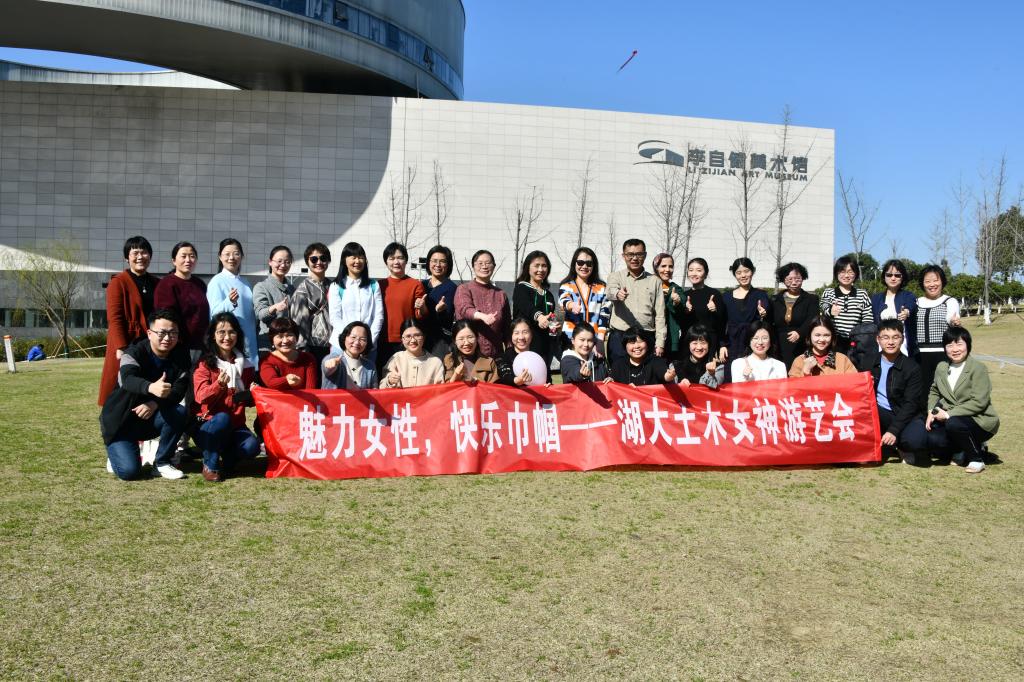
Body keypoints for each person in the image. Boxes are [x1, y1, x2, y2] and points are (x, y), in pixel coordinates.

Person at [99, 309, 190, 481]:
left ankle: (162, 463)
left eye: (173, 333)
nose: (167, 338)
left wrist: (154, 403)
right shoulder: (133, 353)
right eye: (161, 333)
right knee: (129, 471)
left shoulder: (181, 355)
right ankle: (116, 454)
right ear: (149, 333)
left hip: (150, 418)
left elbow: (179, 390)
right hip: (121, 422)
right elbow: (127, 379)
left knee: (179, 412)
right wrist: (150, 388)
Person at [902, 327, 998, 472]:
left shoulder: (978, 368)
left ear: (968, 345)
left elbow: (979, 402)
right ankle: (961, 448)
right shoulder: (942, 367)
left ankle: (976, 458)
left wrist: (948, 414)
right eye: (949, 345)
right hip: (952, 421)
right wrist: (931, 410)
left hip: (979, 419)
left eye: (959, 344)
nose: (955, 349)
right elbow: (934, 390)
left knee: (954, 423)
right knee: (934, 440)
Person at [192, 312, 259, 482]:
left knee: (252, 447)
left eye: (231, 332)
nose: (227, 337)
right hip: (208, 425)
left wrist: (254, 393)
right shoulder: (205, 364)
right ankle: (210, 465)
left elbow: (248, 402)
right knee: (222, 418)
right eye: (221, 332)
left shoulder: (246, 365)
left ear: (238, 334)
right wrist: (219, 385)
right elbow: (200, 397)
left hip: (236, 425)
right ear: (213, 336)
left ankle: (229, 460)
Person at [99, 236, 160, 406]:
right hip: (128, 341)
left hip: (149, 343)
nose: (140, 257)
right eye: (135, 253)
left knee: (146, 388)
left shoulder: (156, 283)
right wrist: (121, 346)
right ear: (127, 257)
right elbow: (115, 318)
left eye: (144, 252)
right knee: (122, 388)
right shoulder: (118, 282)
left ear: (150, 256)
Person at [605, 239, 667, 364]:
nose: (634, 258)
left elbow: (660, 315)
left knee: (646, 374)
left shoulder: (654, 281)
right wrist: (617, 294)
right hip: (620, 336)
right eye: (630, 254)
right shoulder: (615, 276)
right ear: (623, 256)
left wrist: (660, 343)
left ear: (645, 255)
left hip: (646, 336)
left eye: (639, 254)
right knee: (618, 373)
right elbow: (609, 292)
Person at [869, 320, 923, 461]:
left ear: (902, 339)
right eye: (885, 337)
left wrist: (894, 430)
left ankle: (898, 444)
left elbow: (911, 404)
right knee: (871, 409)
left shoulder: (912, 367)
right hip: (880, 414)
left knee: (916, 441)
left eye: (895, 337)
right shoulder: (868, 363)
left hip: (904, 414)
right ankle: (885, 443)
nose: (891, 342)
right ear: (878, 339)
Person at [206, 238, 259, 367]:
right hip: (230, 342)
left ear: (242, 257)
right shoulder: (217, 281)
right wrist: (229, 302)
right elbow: (214, 314)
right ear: (220, 257)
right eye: (227, 254)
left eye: (236, 254)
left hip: (249, 341)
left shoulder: (245, 283)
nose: (231, 258)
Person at [328, 241, 383, 361]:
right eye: (353, 257)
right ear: (344, 260)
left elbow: (378, 316)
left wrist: (368, 341)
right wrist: (349, 340)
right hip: (341, 346)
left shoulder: (373, 285)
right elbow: (335, 317)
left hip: (368, 347)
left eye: (361, 257)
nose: (357, 261)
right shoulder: (336, 286)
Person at [153, 241, 209, 360]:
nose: (188, 260)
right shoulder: (166, 284)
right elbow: (165, 317)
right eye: (183, 256)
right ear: (174, 261)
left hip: (201, 344)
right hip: (178, 346)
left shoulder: (199, 284)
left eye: (192, 256)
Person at [913, 264, 961, 399]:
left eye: (935, 280)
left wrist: (954, 321)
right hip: (919, 356)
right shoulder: (916, 302)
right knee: (921, 393)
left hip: (943, 355)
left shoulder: (949, 301)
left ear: (942, 281)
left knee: (943, 392)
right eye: (927, 281)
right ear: (922, 284)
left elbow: (951, 317)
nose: (932, 284)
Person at [378, 242, 427, 371]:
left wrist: (422, 307)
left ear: (406, 260)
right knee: (385, 375)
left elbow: (420, 316)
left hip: (406, 340)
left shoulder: (415, 284)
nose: (396, 262)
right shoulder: (379, 285)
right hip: (382, 340)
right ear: (386, 261)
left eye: (400, 258)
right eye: (391, 258)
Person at [454, 250, 510, 358]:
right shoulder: (464, 288)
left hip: (496, 356)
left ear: (494, 266)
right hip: (470, 356)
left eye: (488, 263)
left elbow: (507, 327)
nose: (484, 266)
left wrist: (509, 351)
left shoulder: (501, 294)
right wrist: (483, 316)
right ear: (473, 266)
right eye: (480, 263)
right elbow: (464, 309)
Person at [512, 250, 561, 369]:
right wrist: (539, 317)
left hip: (544, 349)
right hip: (524, 347)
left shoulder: (548, 295)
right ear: (527, 268)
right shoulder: (521, 288)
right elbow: (527, 306)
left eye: (544, 266)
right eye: (536, 265)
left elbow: (550, 317)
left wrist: (554, 327)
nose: (540, 269)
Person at [722, 258, 771, 378]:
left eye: (746, 271)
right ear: (735, 275)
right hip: (732, 344)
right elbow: (721, 323)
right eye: (739, 273)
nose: (743, 275)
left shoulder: (761, 294)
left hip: (752, 343)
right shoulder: (726, 297)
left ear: (752, 271)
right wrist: (722, 345)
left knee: (753, 376)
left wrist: (763, 312)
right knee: (731, 376)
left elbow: (765, 310)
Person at [558, 246, 611, 354]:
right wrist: (571, 305)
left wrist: (600, 340)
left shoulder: (602, 288)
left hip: (593, 342)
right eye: (580, 262)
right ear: (574, 264)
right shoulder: (566, 286)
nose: (584, 266)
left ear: (593, 266)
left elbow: (604, 315)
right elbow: (563, 300)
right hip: (570, 340)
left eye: (589, 263)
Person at [290, 242, 333, 366]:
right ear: (307, 262)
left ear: (328, 261)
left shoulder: (333, 286)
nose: (319, 262)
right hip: (313, 347)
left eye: (323, 258)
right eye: (314, 259)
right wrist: (302, 350)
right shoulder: (302, 290)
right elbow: (298, 323)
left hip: (334, 346)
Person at [820, 256, 873, 354]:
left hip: (856, 343)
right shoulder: (829, 292)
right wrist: (830, 311)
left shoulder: (862, 294)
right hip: (833, 342)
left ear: (856, 274)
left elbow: (868, 320)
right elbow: (824, 306)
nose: (846, 275)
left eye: (850, 272)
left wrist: (863, 337)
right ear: (836, 273)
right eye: (842, 271)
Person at [771, 262, 819, 371]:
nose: (794, 283)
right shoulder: (775, 299)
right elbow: (769, 321)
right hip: (779, 344)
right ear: (783, 280)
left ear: (803, 279)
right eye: (789, 279)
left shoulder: (811, 299)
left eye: (797, 279)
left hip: (801, 344)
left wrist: (800, 332)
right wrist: (763, 313)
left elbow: (812, 319)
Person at [680, 257, 727, 360]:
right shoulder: (684, 295)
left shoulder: (714, 294)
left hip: (709, 344)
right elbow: (680, 324)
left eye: (699, 270)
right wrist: (685, 312)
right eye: (691, 270)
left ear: (706, 273)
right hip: (689, 345)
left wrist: (714, 311)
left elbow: (722, 323)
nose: (694, 273)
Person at [253, 245, 295, 356]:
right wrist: (274, 308)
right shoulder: (261, 286)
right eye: (279, 261)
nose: (283, 265)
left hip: (288, 345)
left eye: (287, 262)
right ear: (270, 262)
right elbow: (260, 314)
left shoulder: (292, 289)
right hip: (267, 346)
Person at [380, 318, 445, 388]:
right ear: (402, 339)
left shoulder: (435, 362)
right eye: (408, 336)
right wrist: (389, 381)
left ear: (424, 337)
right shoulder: (396, 359)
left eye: (417, 335)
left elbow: (440, 391)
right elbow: (382, 387)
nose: (413, 340)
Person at [870, 259, 916, 356]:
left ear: (902, 277)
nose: (893, 278)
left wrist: (906, 312)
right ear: (884, 276)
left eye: (897, 275)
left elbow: (910, 306)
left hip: (902, 346)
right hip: (882, 345)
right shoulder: (876, 298)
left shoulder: (908, 295)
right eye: (889, 275)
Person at [259, 318, 318, 390]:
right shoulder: (266, 360)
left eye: (289, 335)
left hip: (304, 397)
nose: (285, 341)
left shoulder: (308, 359)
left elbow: (311, 389)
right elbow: (270, 382)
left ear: (296, 338)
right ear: (272, 340)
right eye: (280, 336)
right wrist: (286, 380)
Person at [787, 316, 858, 377]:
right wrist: (805, 373)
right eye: (817, 335)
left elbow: (854, 383)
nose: (822, 340)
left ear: (832, 336)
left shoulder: (842, 360)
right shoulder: (799, 361)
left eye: (826, 335)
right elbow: (793, 387)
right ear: (809, 336)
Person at [421, 245, 458, 358]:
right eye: (434, 261)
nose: (438, 265)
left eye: (442, 261)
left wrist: (440, 312)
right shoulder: (421, 285)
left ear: (448, 265)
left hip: (439, 342)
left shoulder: (452, 288)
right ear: (428, 262)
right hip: (419, 338)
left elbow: (448, 319)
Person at [609, 327, 676, 386]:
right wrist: (610, 381)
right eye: (632, 343)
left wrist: (669, 376)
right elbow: (613, 383)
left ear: (647, 344)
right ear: (625, 346)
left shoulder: (656, 361)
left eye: (640, 341)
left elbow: (664, 374)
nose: (636, 346)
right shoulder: (618, 365)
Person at [321, 321, 378, 390]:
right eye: (353, 337)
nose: (357, 342)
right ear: (344, 338)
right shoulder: (335, 358)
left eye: (362, 339)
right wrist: (330, 365)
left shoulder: (370, 366)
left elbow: (375, 391)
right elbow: (327, 367)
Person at [653, 252, 687, 361]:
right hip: (648, 336)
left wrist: (676, 302)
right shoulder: (647, 286)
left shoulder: (676, 289)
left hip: (669, 339)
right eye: (663, 266)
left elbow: (681, 310)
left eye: (670, 266)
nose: (667, 269)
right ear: (656, 267)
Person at [673, 324, 725, 389]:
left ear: (709, 344)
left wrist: (710, 373)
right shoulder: (676, 366)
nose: (699, 347)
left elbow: (714, 388)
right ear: (688, 345)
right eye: (695, 343)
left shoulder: (718, 367)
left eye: (703, 343)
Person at [497, 317, 545, 386]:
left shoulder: (539, 356)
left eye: (525, 332)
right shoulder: (503, 357)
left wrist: (547, 384)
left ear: (531, 334)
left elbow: (547, 379)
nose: (521, 337)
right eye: (516, 333)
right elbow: (505, 377)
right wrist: (517, 380)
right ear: (511, 335)